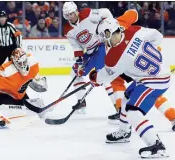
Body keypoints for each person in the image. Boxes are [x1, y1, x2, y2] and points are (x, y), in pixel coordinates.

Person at [91, 17, 174, 158]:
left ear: (108, 33)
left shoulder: (113, 56)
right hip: (156, 72)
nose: (104, 41)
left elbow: (102, 79)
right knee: (126, 98)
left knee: (133, 111)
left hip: (154, 81)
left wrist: (93, 77)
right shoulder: (134, 30)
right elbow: (157, 36)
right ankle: (124, 131)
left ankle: (156, 145)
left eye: (104, 37)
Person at [62, 2, 126, 115]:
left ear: (76, 11)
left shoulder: (87, 14)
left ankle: (119, 108)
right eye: (67, 15)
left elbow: (106, 12)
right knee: (75, 73)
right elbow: (76, 45)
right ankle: (81, 101)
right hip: (90, 52)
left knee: (104, 76)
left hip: (102, 46)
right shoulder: (67, 29)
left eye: (71, 14)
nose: (69, 17)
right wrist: (79, 60)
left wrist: (109, 26)